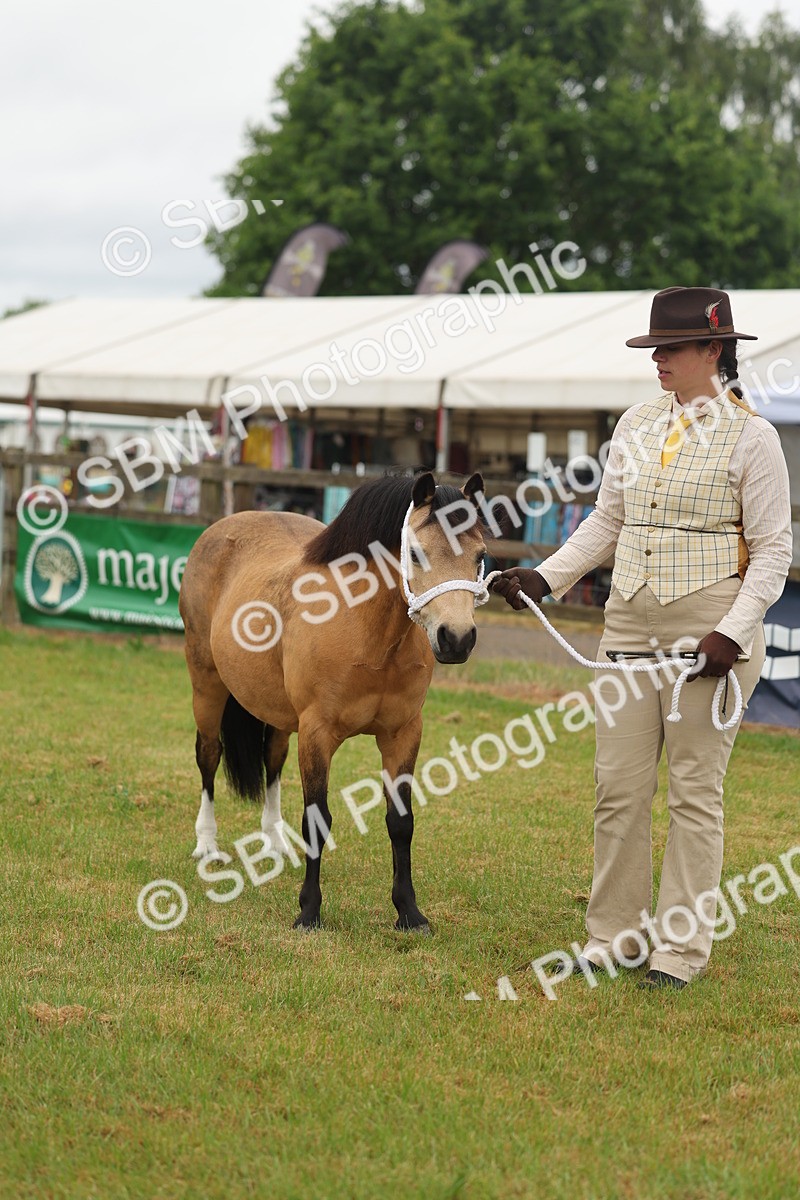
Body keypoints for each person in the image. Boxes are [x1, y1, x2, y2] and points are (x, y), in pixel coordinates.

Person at [492, 287, 793, 990]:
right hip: (628, 620)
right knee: (617, 787)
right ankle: (613, 939)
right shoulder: (635, 423)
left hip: (710, 626)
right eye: (655, 348)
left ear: (713, 350)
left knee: (693, 790)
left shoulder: (754, 439)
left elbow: (774, 552)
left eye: (673, 348)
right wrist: (548, 577)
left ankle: (679, 952)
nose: (658, 359)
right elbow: (608, 520)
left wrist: (731, 632)